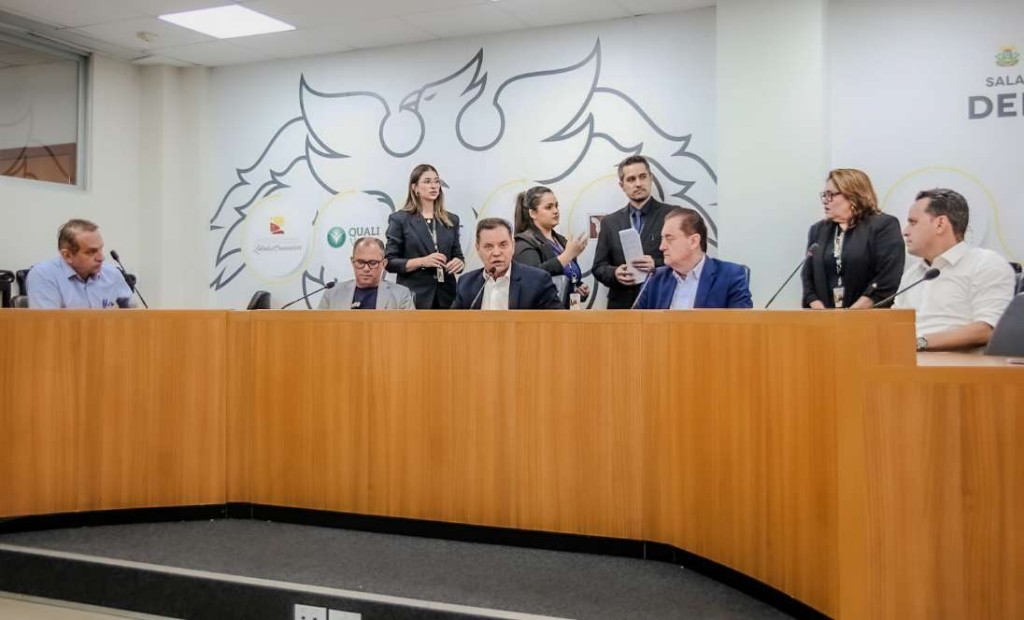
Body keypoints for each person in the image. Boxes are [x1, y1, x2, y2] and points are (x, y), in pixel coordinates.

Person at [896, 188, 1015, 352]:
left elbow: (988, 329)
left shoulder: (986, 264)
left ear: (940, 224)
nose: (905, 231)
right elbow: (893, 324)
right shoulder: (913, 274)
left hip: (956, 365)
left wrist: (919, 343)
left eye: (913, 222)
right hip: (904, 360)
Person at [801, 168, 905, 309]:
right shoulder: (818, 230)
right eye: (824, 195)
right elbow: (808, 278)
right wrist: (820, 310)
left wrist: (852, 314)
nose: (825, 201)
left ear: (853, 196)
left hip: (868, 316)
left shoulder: (883, 225)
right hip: (824, 318)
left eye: (831, 195)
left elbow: (887, 278)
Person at [592, 155, 674, 308]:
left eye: (642, 177)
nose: (638, 183)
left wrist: (656, 265)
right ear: (622, 185)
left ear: (651, 178)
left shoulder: (672, 216)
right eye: (631, 179)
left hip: (660, 302)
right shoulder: (610, 222)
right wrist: (615, 273)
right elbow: (598, 267)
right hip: (621, 306)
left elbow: (685, 261)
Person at [634, 207, 753, 309]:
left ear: (693, 241)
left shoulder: (730, 276)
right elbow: (635, 323)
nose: (661, 247)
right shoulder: (655, 278)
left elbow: (742, 326)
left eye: (669, 238)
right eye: (662, 239)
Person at [385, 164, 465, 309]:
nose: (433, 186)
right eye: (427, 182)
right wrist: (422, 261)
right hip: (415, 297)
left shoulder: (451, 220)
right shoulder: (400, 219)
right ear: (414, 188)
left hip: (447, 296)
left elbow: (458, 255)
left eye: (436, 181)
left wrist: (459, 263)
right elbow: (390, 262)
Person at [452, 218, 563, 310]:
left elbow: (557, 323)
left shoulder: (537, 280)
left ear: (513, 246)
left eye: (503, 245)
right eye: (488, 247)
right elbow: (451, 323)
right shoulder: (466, 283)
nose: (496, 253)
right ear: (478, 249)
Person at [26, 219, 135, 309]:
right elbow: (48, 325)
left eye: (100, 249)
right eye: (91, 252)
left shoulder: (112, 273)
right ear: (67, 255)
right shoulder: (43, 275)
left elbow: (136, 316)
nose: (101, 258)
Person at [512, 185, 590, 307]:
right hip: (542, 315)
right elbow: (532, 278)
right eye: (548, 207)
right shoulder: (523, 243)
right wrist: (567, 256)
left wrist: (578, 289)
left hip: (566, 313)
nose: (555, 211)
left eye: (556, 206)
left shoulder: (562, 241)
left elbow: (565, 281)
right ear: (532, 213)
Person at [319, 237, 414, 310]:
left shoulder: (401, 295)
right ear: (352, 262)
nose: (366, 268)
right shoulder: (332, 294)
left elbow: (409, 328)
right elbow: (318, 326)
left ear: (384, 264)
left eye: (373, 263)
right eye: (360, 262)